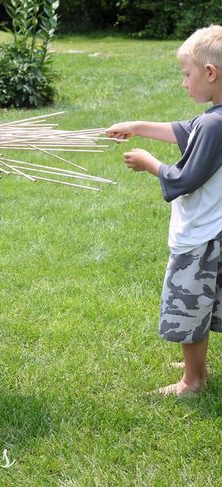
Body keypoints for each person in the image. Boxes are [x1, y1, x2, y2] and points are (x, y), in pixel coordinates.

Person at [106, 24, 222, 397]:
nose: (183, 83)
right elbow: (183, 130)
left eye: (187, 74)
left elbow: (185, 178)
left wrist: (149, 162)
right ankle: (194, 364)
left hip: (201, 235)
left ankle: (192, 381)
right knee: (203, 302)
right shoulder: (214, 119)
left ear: (210, 73)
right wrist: (137, 126)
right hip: (216, 229)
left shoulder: (214, 124)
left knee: (188, 303)